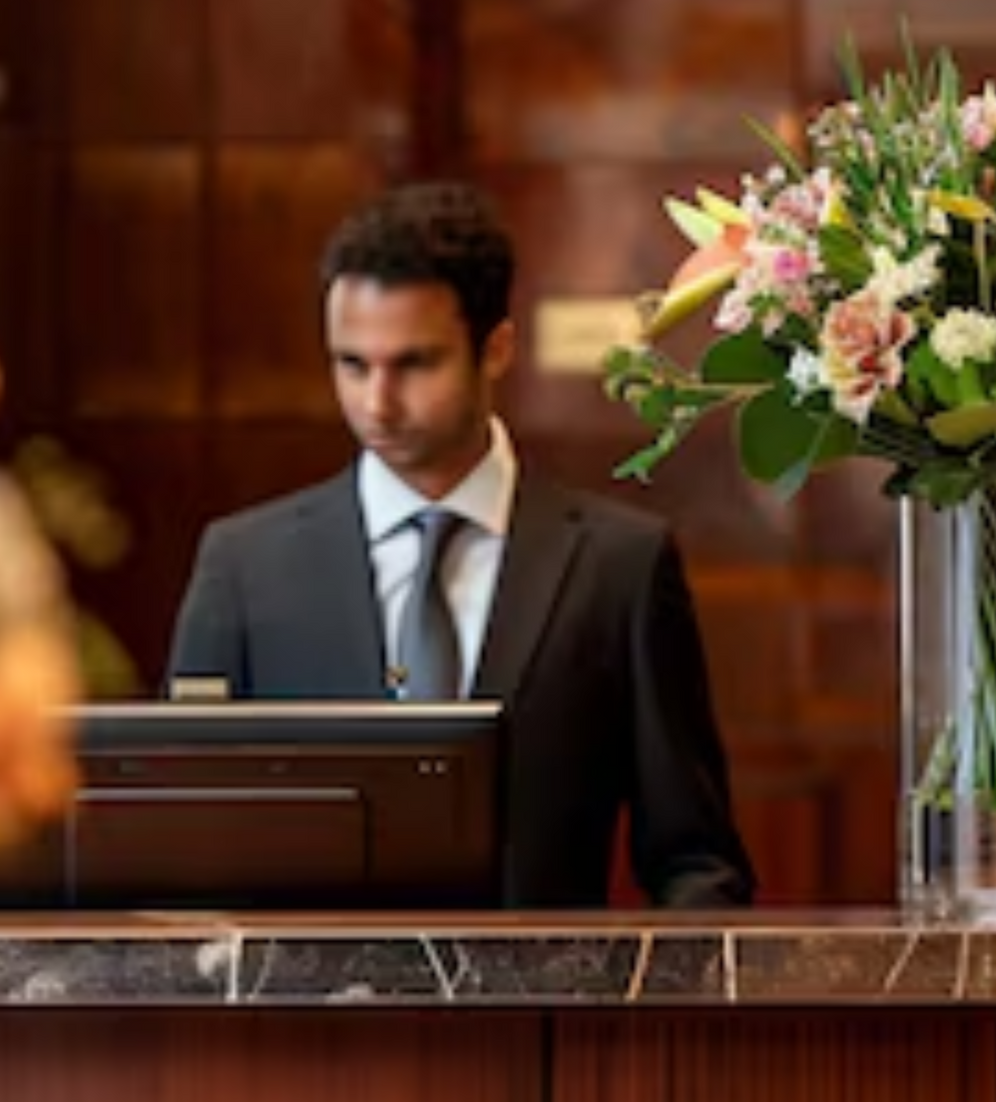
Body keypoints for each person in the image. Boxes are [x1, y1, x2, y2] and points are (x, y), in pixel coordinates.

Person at [165, 180, 754, 909]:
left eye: (414, 364)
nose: (376, 402)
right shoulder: (244, 570)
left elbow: (696, 863)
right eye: (351, 364)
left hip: (546, 1014)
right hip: (307, 1018)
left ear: (496, 348)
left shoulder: (619, 566)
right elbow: (182, 855)